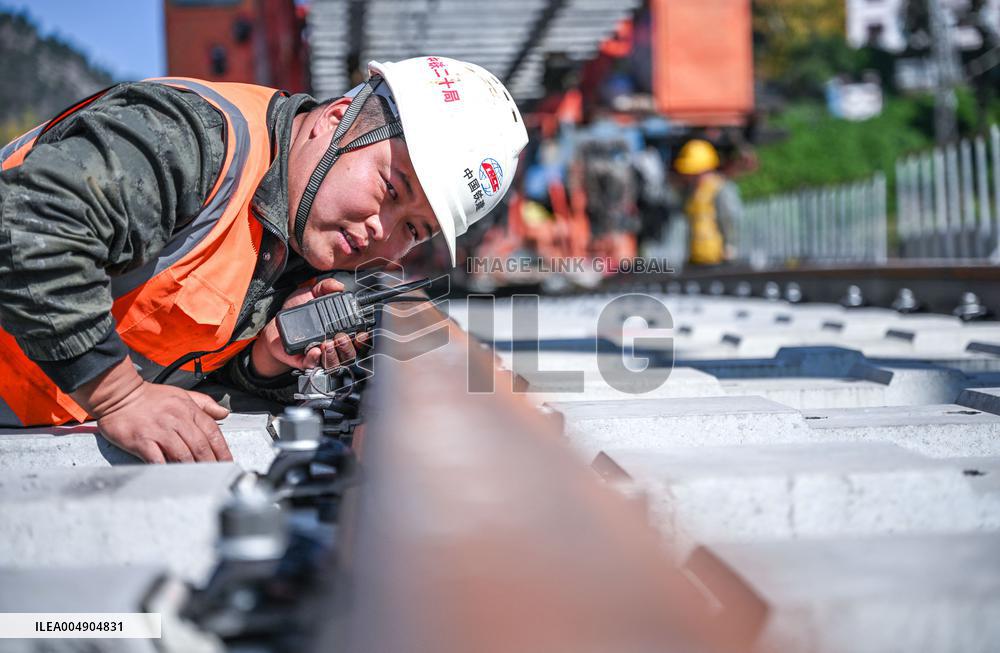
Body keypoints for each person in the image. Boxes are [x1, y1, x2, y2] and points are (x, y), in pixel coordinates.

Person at [0, 56, 528, 463]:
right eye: (391, 189)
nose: (381, 232)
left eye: (413, 229)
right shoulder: (196, 139)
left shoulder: (303, 237)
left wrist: (265, 361)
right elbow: (29, 227)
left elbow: (174, 355)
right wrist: (119, 397)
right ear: (338, 120)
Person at [672, 139, 742, 266]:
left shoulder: (720, 188)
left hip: (717, 256)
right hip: (696, 256)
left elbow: (728, 218)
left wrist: (730, 246)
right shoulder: (694, 192)